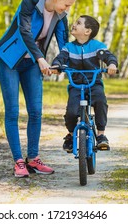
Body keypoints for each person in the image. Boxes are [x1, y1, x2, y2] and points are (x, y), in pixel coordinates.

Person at [0, 0, 78, 178]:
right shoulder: (30, 2)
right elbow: (24, 32)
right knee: (13, 112)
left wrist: (60, 65)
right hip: (10, 61)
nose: (67, 9)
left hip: (31, 64)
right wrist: (41, 58)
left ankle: (33, 159)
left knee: (36, 112)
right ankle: (18, 161)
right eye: (66, 4)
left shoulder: (60, 16)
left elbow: (63, 44)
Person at [50, 15, 118, 152]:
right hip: (76, 85)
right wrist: (56, 66)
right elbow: (60, 58)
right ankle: (70, 135)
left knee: (100, 101)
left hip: (94, 83)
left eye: (79, 23)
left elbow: (107, 56)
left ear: (87, 31)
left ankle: (101, 135)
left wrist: (111, 64)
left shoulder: (97, 46)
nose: (74, 24)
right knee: (71, 112)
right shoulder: (68, 47)